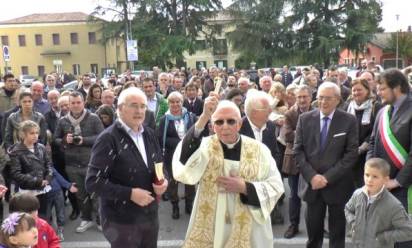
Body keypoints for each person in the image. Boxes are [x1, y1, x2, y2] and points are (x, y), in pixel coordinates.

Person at [172, 94, 284, 247]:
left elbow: (276, 186)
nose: (225, 126)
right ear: (212, 126)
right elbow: (183, 159)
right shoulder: (204, 146)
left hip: (248, 224)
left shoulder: (259, 150)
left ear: (239, 124)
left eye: (231, 121)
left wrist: (246, 188)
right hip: (212, 222)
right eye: (219, 122)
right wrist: (204, 116)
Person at [86, 87, 168, 248]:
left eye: (143, 106)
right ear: (120, 108)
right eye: (134, 105)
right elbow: (93, 183)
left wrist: (164, 180)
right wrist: (130, 194)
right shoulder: (108, 139)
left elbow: (159, 164)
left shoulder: (149, 134)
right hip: (121, 221)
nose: (139, 111)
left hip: (149, 216)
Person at [294, 82, 358, 248]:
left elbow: (351, 154)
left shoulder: (349, 120)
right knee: (313, 236)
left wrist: (327, 178)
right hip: (312, 186)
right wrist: (313, 177)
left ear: (337, 100)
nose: (323, 102)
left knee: (337, 237)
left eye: (328, 98)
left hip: (338, 185)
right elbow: (298, 152)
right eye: (320, 98)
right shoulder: (304, 119)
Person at [367, 68, 412, 248]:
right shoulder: (382, 112)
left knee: (403, 239)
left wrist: (398, 181)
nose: (378, 92)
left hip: (404, 188)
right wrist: (371, 173)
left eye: (383, 88)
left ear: (398, 87)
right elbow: (372, 143)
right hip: (382, 186)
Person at [54, 91, 104, 233]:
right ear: (68, 104)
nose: (75, 105)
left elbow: (102, 137)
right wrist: (65, 140)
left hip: (91, 163)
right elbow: (55, 140)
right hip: (72, 165)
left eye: (78, 102)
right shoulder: (63, 120)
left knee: (95, 194)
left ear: (83, 103)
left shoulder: (93, 118)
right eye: (73, 103)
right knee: (80, 195)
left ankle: (100, 219)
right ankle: (86, 219)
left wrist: (84, 140)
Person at [345, 158, 412, 248]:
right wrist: (353, 222)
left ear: (385, 180)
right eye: (367, 175)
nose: (369, 180)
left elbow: (408, 231)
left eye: (375, 176)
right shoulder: (358, 194)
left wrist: (384, 237)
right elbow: (348, 209)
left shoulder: (393, 204)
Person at [239, 89, 283, 225]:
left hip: (266, 181)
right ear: (253, 112)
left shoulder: (270, 125)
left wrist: (270, 170)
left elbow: (275, 152)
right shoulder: (237, 127)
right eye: (266, 109)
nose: (270, 112)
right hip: (245, 186)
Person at [157, 92, 198, 219]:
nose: (175, 104)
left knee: (189, 180)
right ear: (168, 103)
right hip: (171, 155)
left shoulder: (191, 117)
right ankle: (175, 205)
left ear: (182, 102)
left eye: (178, 101)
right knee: (172, 182)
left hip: (189, 154)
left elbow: (196, 134)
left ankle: (189, 204)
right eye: (172, 102)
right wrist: (180, 143)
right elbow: (160, 138)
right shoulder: (164, 119)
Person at [282, 85, 313, 239]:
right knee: (294, 195)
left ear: (310, 98)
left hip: (313, 160)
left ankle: (316, 226)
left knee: (314, 196)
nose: (301, 100)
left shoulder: (317, 111)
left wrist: (299, 133)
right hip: (294, 160)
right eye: (299, 97)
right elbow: (287, 136)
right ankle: (293, 225)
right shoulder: (289, 113)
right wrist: (309, 131)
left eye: (304, 97)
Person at [8, 120, 53, 219]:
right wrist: (36, 181)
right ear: (23, 134)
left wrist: (48, 177)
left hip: (43, 189)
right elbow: (16, 174)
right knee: (29, 218)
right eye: (32, 133)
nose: (35, 136)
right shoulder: (16, 152)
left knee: (44, 216)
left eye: (37, 133)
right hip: (28, 191)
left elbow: (49, 164)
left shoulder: (41, 147)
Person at [344, 78, 381, 187]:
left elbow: (377, 130)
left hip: (367, 155)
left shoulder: (376, 106)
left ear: (367, 90)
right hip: (349, 154)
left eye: (359, 90)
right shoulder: (347, 106)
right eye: (354, 90)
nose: (356, 93)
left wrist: (362, 147)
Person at [45, 167, 78, 241]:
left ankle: (60, 230)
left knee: (60, 213)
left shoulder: (48, 165)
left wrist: (68, 186)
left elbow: (57, 176)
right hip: (44, 194)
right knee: (46, 215)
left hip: (57, 191)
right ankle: (48, 232)